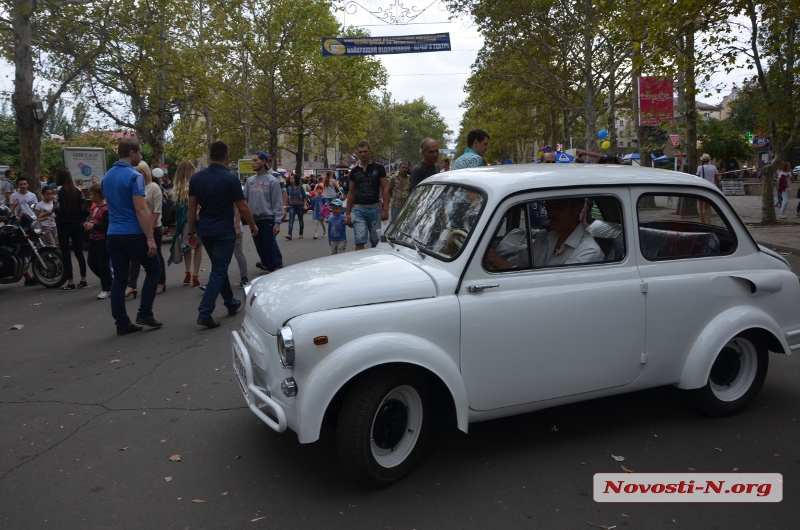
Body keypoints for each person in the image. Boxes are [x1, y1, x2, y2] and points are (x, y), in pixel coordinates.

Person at [187, 140, 258, 329]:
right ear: (226, 156)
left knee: (219, 267)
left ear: (210, 155)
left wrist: (191, 231)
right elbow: (242, 206)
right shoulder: (230, 178)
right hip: (224, 231)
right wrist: (252, 225)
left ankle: (231, 303)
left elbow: (192, 207)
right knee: (218, 269)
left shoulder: (196, 178)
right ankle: (205, 311)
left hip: (206, 231)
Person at [102, 138, 162, 335]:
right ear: (131, 153)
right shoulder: (133, 176)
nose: (141, 156)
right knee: (154, 270)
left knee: (120, 278)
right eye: (140, 152)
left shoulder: (107, 177)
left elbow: (109, 207)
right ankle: (145, 312)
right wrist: (150, 238)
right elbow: (140, 209)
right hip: (133, 233)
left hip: (113, 233)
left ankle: (122, 322)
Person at [484, 198, 603, 270]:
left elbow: (556, 288)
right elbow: (518, 262)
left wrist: (503, 264)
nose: (551, 213)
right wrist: (493, 261)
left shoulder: (589, 251)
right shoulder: (546, 239)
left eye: (559, 207)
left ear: (577, 209)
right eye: (549, 206)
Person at [125, 161, 167, 296]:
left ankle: (161, 282)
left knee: (156, 254)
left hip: (154, 227)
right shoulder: (135, 187)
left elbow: (157, 210)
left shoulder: (154, 187)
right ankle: (132, 285)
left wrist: (151, 229)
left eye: (140, 172)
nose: (138, 174)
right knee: (135, 256)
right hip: (138, 226)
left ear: (146, 172)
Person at [345, 141, 389, 250]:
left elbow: (385, 189)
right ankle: (360, 264)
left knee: (375, 241)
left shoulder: (379, 168)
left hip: (375, 209)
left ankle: (373, 264)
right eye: (360, 152)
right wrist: (347, 213)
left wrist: (385, 210)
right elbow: (351, 192)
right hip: (359, 210)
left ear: (370, 152)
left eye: (365, 151)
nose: (363, 154)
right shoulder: (354, 171)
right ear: (357, 153)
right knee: (359, 240)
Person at [243, 151, 283, 273]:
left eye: (255, 160)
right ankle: (267, 265)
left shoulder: (273, 181)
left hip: (268, 219)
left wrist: (277, 223)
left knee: (269, 246)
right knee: (259, 247)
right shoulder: (249, 181)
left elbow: (277, 202)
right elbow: (244, 201)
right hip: (254, 220)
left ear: (264, 161)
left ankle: (272, 270)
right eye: (252, 160)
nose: (252, 163)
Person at [168, 160, 203, 287]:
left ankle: (187, 272)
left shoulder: (177, 187)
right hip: (195, 220)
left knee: (187, 247)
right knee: (198, 246)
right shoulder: (196, 184)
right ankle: (195, 275)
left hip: (182, 223)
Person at [54, 168, 88, 291]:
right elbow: (84, 208)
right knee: (79, 252)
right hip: (77, 225)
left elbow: (56, 209)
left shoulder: (58, 192)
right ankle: (83, 279)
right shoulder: (78, 191)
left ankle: (71, 281)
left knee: (66, 254)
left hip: (63, 225)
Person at [83, 183, 112, 299]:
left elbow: (108, 226)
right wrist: (88, 224)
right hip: (93, 239)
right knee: (92, 262)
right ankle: (109, 281)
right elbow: (93, 221)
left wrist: (94, 226)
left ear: (97, 195)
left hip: (102, 240)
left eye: (91, 194)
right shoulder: (95, 208)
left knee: (103, 265)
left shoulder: (105, 210)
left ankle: (107, 288)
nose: (89, 196)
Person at [696, 153, 718, 223]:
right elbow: (716, 178)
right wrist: (718, 187)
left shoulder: (700, 168)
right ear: (709, 160)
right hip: (710, 188)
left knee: (701, 206)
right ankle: (708, 218)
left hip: (701, 188)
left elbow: (697, 177)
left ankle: (702, 220)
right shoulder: (713, 167)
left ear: (702, 160)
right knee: (708, 205)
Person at [285, 172, 307, 240]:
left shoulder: (300, 187)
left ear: (295, 179)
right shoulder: (289, 187)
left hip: (300, 205)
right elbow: (286, 197)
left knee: (300, 220)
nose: (291, 179)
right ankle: (289, 234)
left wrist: (305, 205)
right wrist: (285, 205)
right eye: (290, 178)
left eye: (292, 178)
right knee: (291, 220)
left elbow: (304, 196)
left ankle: (301, 233)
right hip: (292, 205)